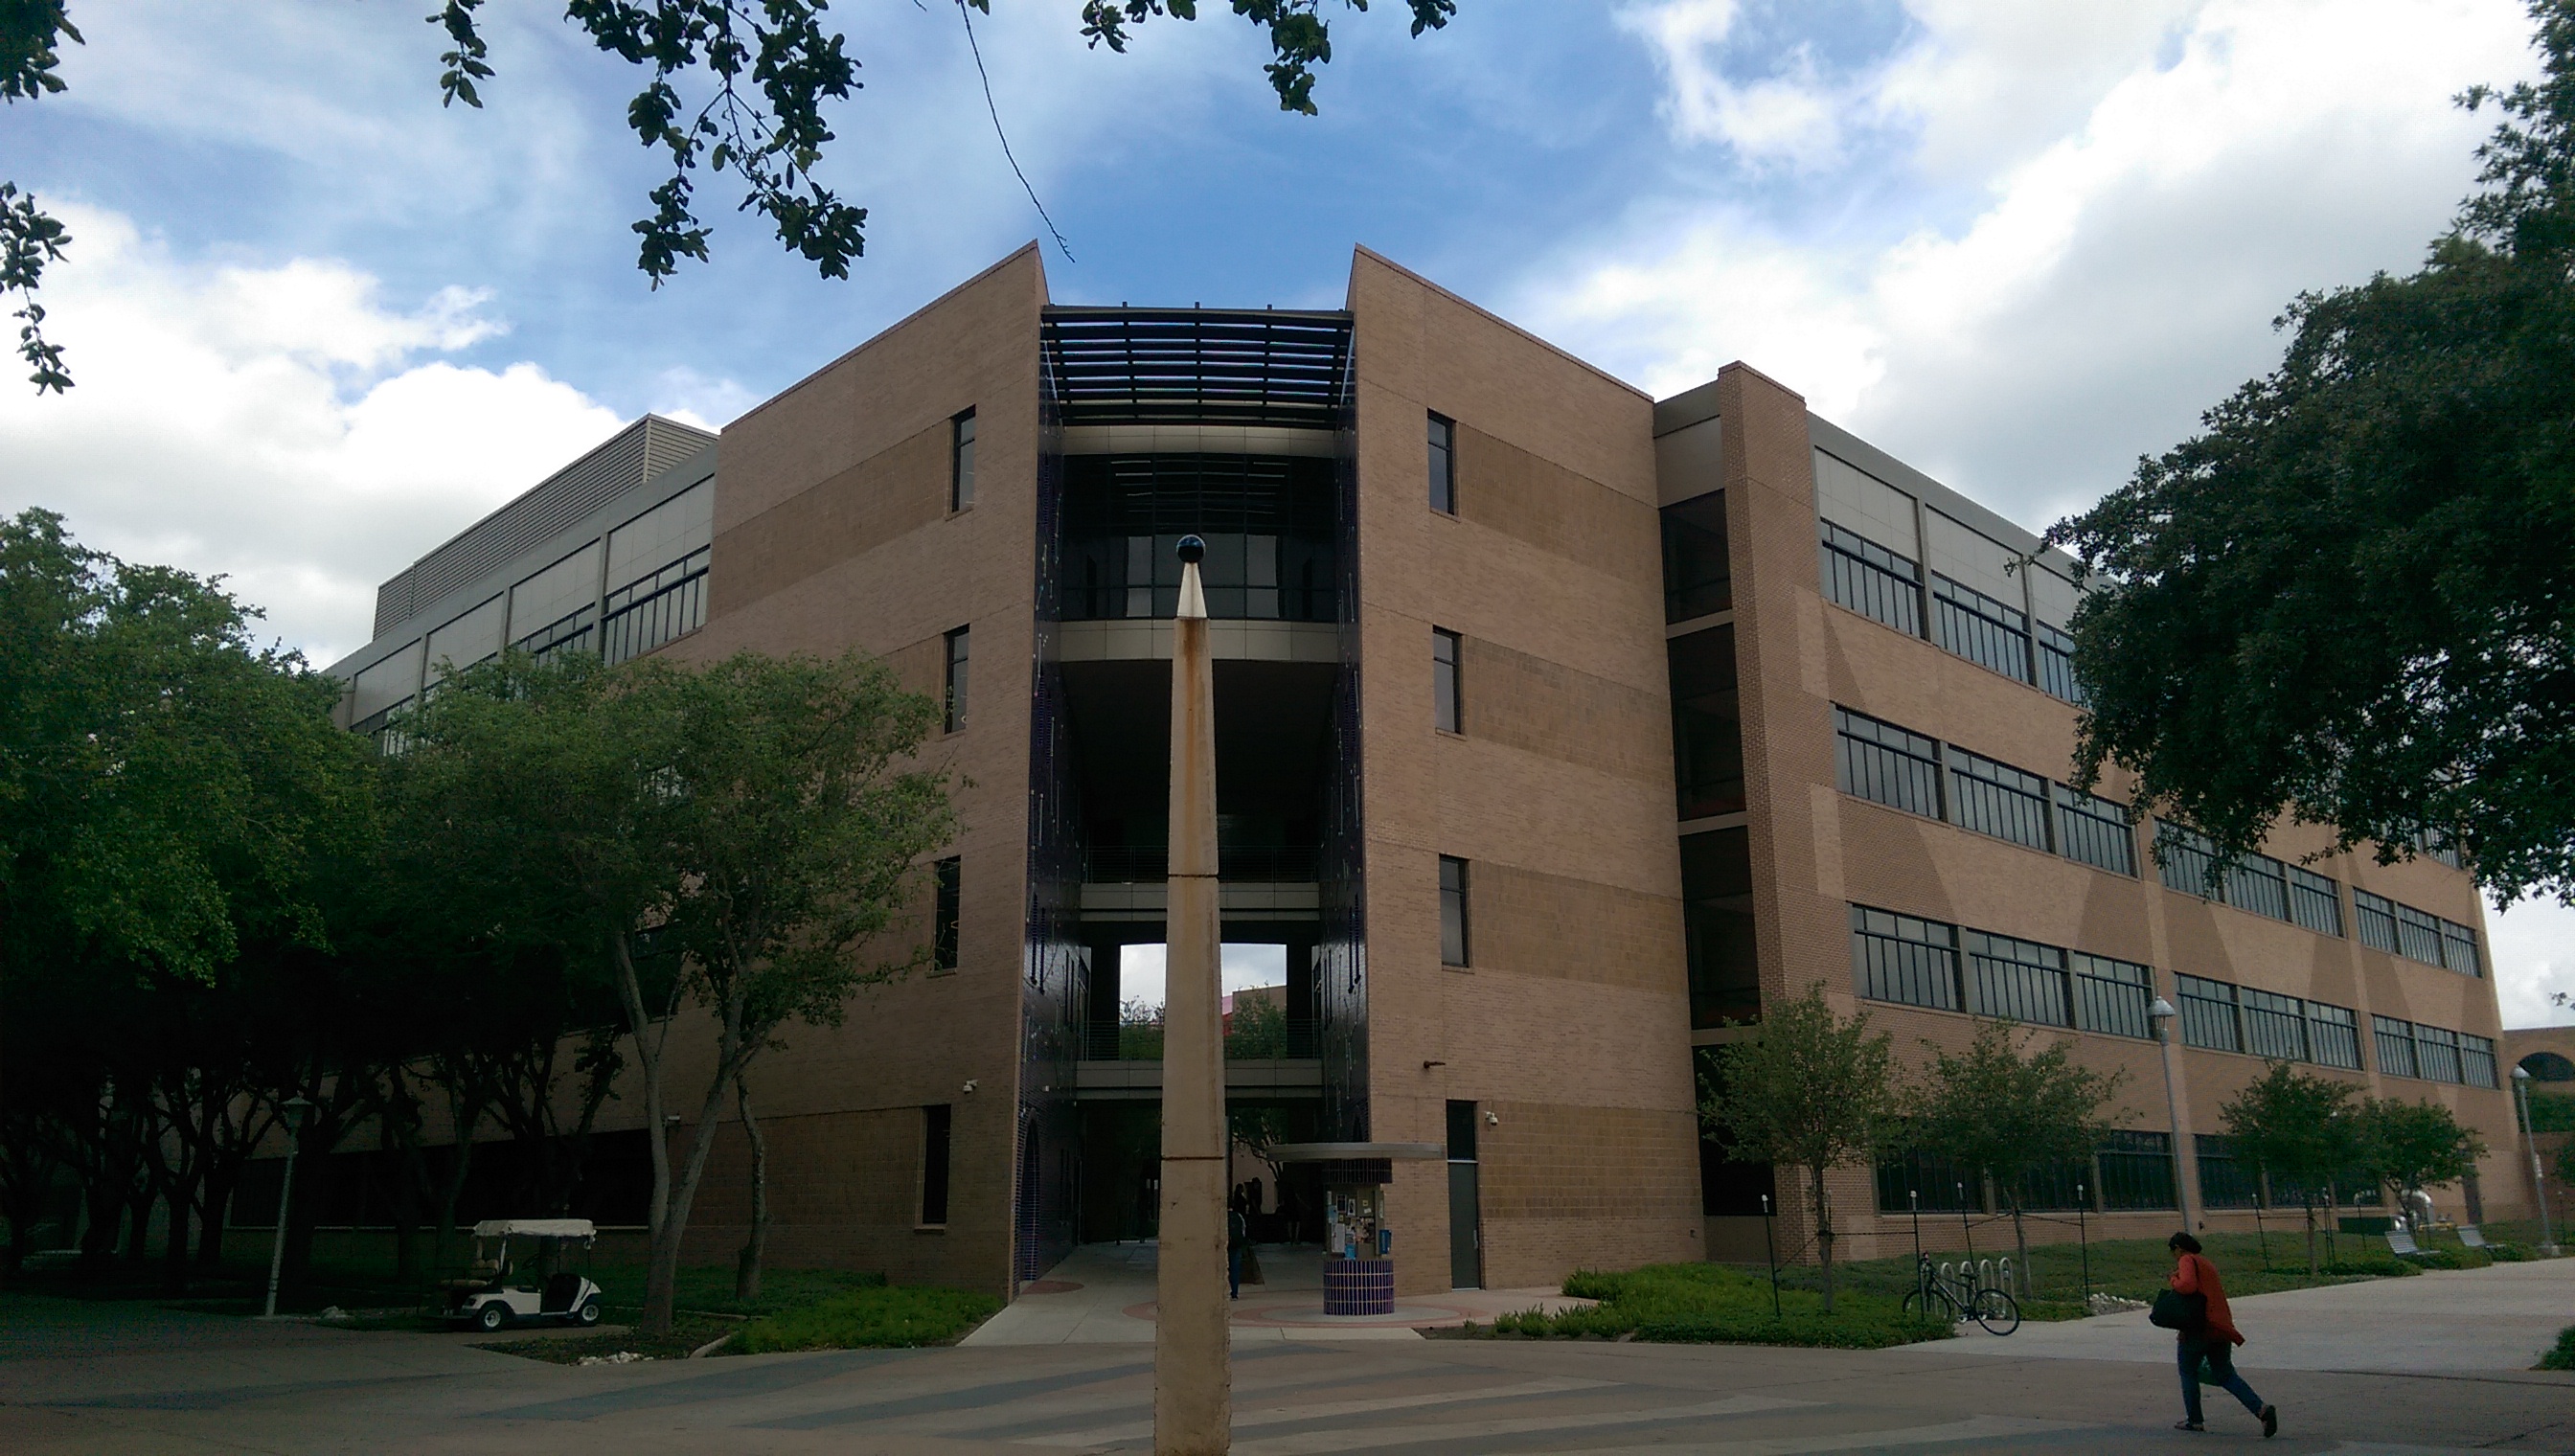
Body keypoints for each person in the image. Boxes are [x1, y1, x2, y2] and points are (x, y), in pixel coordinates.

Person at [2167, 1232, 2278, 1437]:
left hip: (2199, 1329)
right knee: (2226, 1374)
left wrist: (2174, 1279)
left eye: (2173, 1251)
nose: (2174, 1256)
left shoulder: (2186, 1260)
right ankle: (2261, 1410)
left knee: (2188, 1371)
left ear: (2179, 1248)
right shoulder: (2207, 1264)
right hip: (2220, 1327)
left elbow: (2187, 1286)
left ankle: (2195, 1420)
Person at [1227, 1194, 1250, 1301]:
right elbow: (1243, 1231)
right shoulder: (1238, 1216)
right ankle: (1234, 1293)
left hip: (1226, 1246)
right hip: (1237, 1245)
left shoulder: (1222, 1217)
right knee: (1235, 1269)